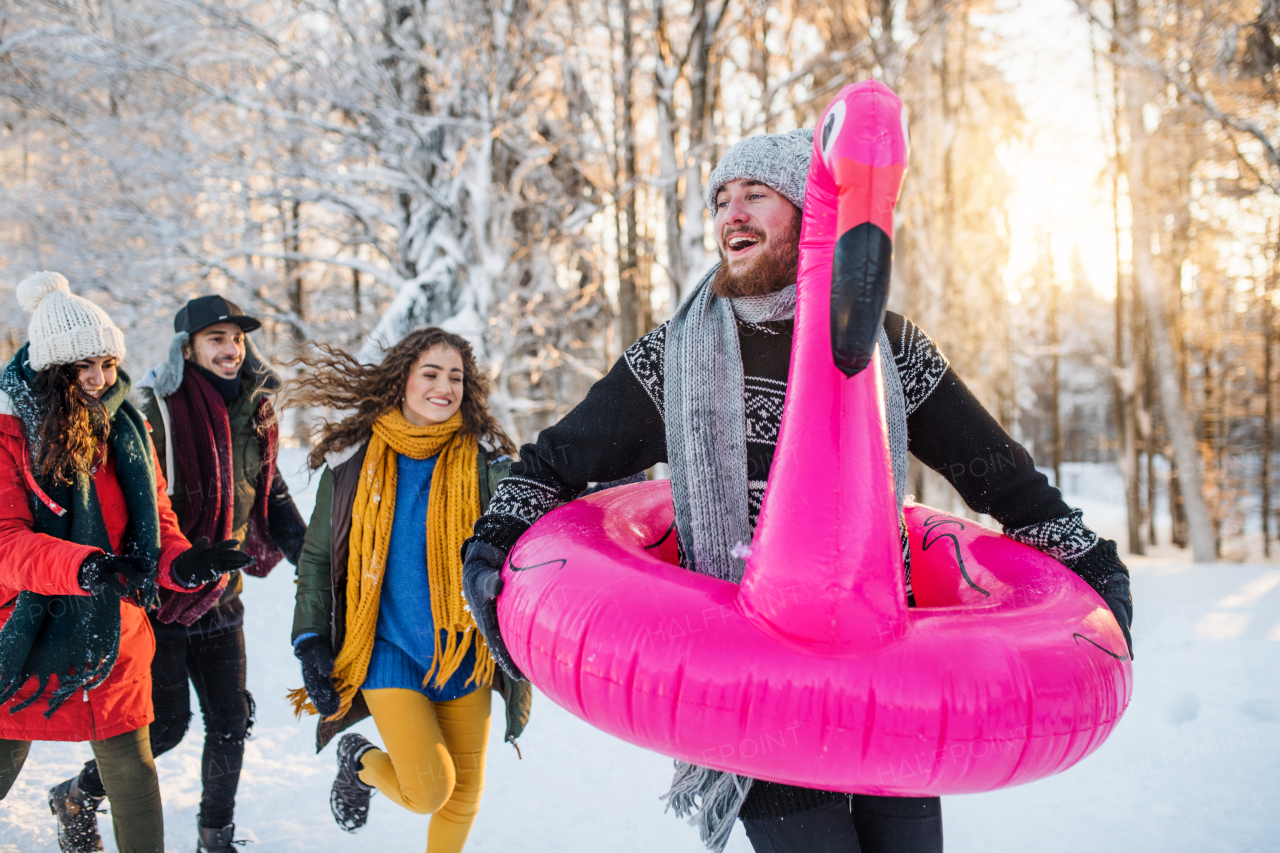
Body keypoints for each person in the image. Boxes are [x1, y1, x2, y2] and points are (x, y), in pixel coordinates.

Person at [461, 130, 1135, 853]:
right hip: (757, 679)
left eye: (755, 194)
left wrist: (1090, 560)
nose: (731, 215)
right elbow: (552, 460)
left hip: (888, 676)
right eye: (721, 200)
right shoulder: (678, 358)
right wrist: (495, 538)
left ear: (809, 214)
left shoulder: (886, 347)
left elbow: (998, 473)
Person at [0, 272, 251, 853]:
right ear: (50, 369)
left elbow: (156, 522)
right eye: (82, 367)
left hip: (115, 630)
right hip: (25, 634)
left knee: (134, 776)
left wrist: (184, 564)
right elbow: (7, 543)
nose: (98, 379)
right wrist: (85, 567)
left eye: (108, 364)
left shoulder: (127, 429)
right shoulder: (10, 434)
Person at [50, 294, 308, 853]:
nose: (231, 349)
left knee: (231, 720)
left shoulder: (255, 412)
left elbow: (270, 490)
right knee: (164, 727)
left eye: (237, 339)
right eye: (216, 338)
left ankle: (216, 837)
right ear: (186, 348)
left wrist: (309, 556)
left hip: (222, 593)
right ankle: (75, 792)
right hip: (157, 598)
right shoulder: (154, 408)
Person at [286, 327, 531, 853]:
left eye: (456, 377)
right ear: (402, 381)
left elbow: (532, 527)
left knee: (463, 798)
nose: (445, 387)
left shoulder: (489, 463)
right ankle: (359, 759)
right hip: (387, 650)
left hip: (465, 646)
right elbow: (317, 557)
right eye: (431, 373)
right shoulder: (354, 462)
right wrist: (310, 639)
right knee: (427, 791)